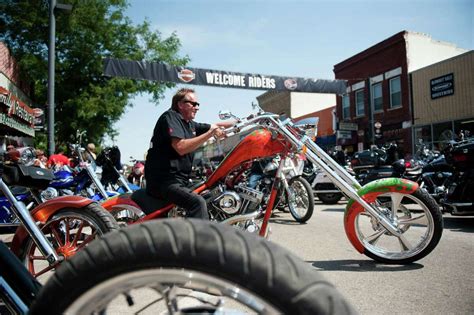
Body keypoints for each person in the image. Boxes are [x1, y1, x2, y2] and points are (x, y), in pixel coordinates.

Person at [145, 88, 235, 219]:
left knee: (213, 193)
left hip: (180, 180)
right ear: (180, 104)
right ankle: (199, 238)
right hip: (164, 181)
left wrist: (246, 121)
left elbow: (215, 125)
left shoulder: (189, 124)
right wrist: (210, 134)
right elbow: (180, 147)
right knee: (197, 203)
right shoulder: (170, 117)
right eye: (193, 104)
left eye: (197, 104)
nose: (197, 107)